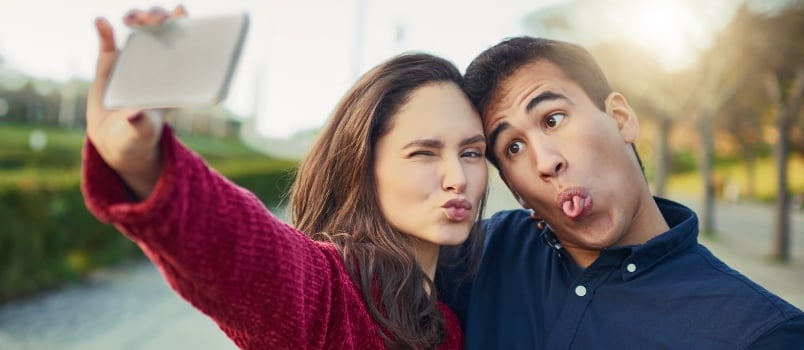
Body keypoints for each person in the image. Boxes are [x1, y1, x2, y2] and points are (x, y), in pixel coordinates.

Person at [82, 6, 488, 349]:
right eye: (423, 152)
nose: (458, 178)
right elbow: (248, 256)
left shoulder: (452, 319)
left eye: (471, 153)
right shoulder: (334, 297)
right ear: (362, 167)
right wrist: (143, 163)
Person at [436, 36, 804, 349]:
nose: (545, 162)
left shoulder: (761, 332)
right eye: (513, 148)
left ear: (620, 118)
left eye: (553, 119)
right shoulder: (477, 256)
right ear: (516, 191)